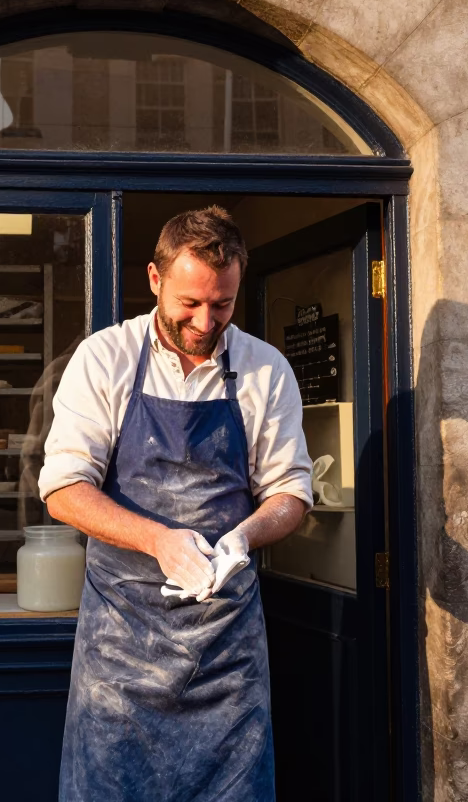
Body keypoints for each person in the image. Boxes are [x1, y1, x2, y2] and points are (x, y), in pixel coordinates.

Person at [38, 206, 315, 801]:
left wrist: (243, 537)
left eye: (222, 304)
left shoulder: (265, 369)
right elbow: (63, 489)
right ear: (154, 278)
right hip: (121, 648)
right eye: (190, 303)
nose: (205, 320)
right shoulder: (105, 358)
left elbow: (291, 492)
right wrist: (160, 540)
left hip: (225, 649)